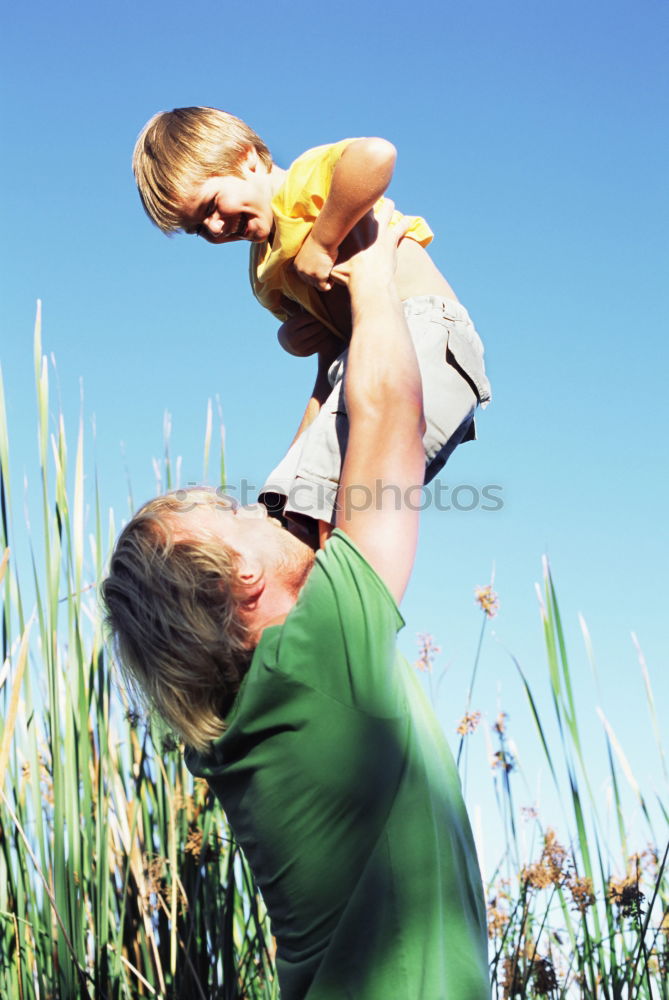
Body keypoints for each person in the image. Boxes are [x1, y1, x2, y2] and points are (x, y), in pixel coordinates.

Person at [102, 204, 490, 998]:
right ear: (235, 583)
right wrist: (375, 271)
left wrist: (324, 371)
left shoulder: (241, 724)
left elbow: (305, 487)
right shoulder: (317, 661)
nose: (260, 505)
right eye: (239, 513)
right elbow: (389, 419)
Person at [132, 107, 491, 539]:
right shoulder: (266, 269)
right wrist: (293, 341)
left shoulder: (303, 186)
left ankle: (345, 587)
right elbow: (326, 370)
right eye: (197, 229)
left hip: (424, 334)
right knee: (283, 507)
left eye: (211, 205)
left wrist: (323, 240)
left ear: (247, 159)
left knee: (323, 505)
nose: (215, 227)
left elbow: (377, 155)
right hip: (354, 364)